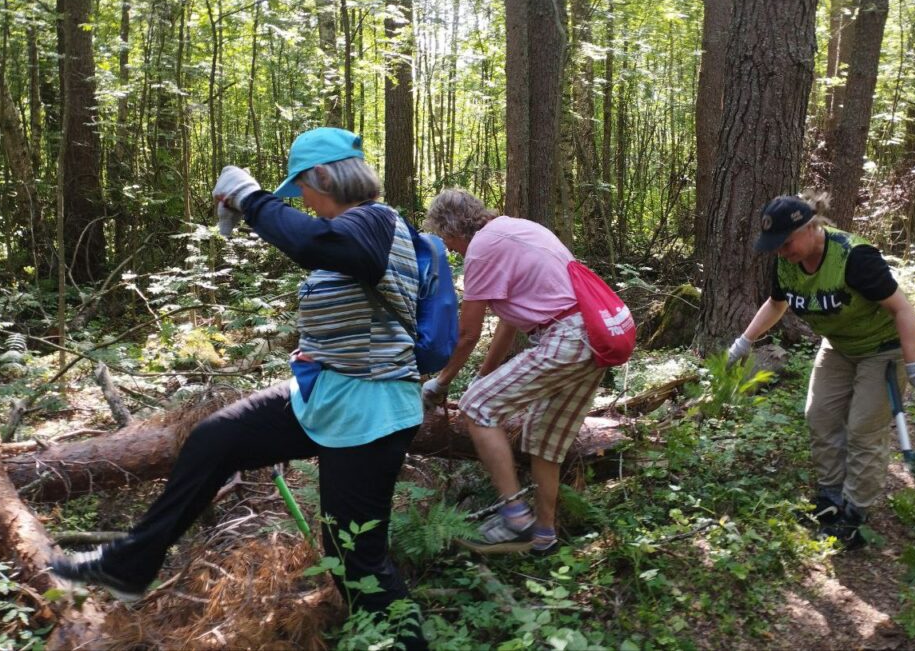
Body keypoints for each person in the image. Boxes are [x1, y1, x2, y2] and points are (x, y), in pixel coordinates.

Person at [51, 127, 428, 648]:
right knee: (216, 438)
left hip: (371, 410)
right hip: (326, 395)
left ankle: (405, 641)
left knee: (352, 555)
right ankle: (130, 565)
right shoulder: (356, 230)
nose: (306, 205)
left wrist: (252, 199)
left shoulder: (374, 221)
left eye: (304, 192)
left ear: (323, 177)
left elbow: (315, 245)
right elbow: (343, 283)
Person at [727, 194, 915, 548]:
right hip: (839, 346)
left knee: (862, 430)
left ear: (811, 226)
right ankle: (831, 498)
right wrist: (745, 340)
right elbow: (777, 303)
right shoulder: (786, 262)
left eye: (786, 242)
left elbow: (902, 309)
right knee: (820, 416)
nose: (781, 251)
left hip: (883, 350)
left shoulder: (854, 258)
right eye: (775, 246)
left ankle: (855, 513)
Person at [421, 189, 604, 555]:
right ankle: (543, 536)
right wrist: (484, 377)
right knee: (543, 441)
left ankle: (515, 518)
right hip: (594, 339)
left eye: (446, 240)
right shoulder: (518, 229)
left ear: (452, 229)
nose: (451, 249)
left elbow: (468, 334)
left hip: (566, 337)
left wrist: (440, 383)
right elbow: (507, 323)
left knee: (476, 408)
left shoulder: (481, 249)